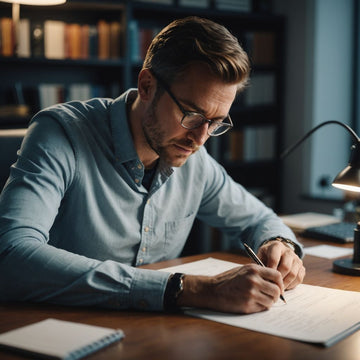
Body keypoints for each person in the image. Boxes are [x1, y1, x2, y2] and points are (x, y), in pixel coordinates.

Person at [0, 16, 305, 314]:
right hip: (53, 329)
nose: (200, 138)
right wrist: (192, 290)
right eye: (192, 114)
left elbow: (258, 219)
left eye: (215, 123)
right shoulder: (61, 134)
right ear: (146, 85)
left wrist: (279, 246)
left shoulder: (195, 159)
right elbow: (11, 256)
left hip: (152, 334)